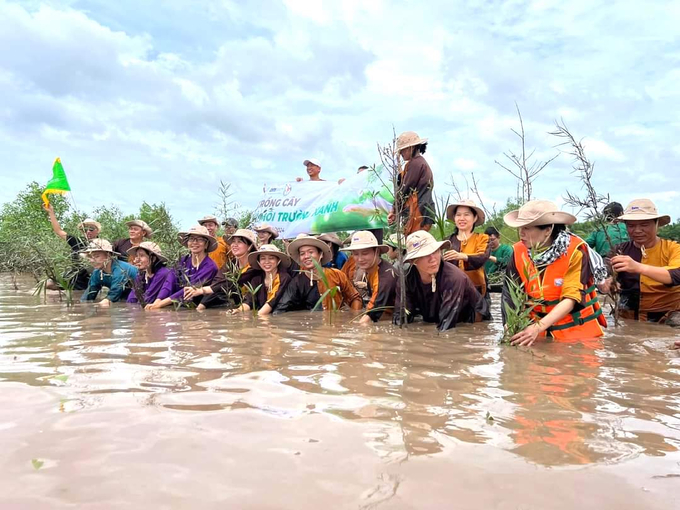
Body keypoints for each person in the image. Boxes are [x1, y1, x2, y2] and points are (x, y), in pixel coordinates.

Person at [502, 200, 607, 346]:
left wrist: (538, 327)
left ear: (548, 230)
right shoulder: (517, 252)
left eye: (527, 228)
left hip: (575, 333)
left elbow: (572, 297)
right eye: (520, 228)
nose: (521, 234)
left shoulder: (575, 252)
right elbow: (509, 293)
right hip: (534, 330)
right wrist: (508, 325)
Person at [600, 199, 680, 322]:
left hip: (668, 316)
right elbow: (604, 270)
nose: (637, 230)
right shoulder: (620, 249)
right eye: (631, 226)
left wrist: (638, 267)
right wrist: (606, 283)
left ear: (656, 223)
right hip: (628, 316)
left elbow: (676, 275)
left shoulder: (673, 249)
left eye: (644, 225)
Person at [393, 231, 486, 331]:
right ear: (412, 261)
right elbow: (401, 318)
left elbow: (446, 327)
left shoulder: (453, 278)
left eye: (435, 251)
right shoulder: (406, 279)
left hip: (468, 322)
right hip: (433, 316)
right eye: (425, 254)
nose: (433, 259)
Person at [274, 235, 362, 313]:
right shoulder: (296, 282)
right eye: (302, 253)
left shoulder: (337, 275)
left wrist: (353, 317)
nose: (306, 256)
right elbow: (281, 309)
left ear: (321, 254)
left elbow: (355, 298)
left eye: (311, 252)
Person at [149, 225, 218, 309]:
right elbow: (169, 283)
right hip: (177, 304)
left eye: (200, 239)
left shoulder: (210, 266)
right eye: (191, 239)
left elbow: (190, 289)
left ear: (206, 244)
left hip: (196, 307)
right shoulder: (182, 261)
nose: (195, 242)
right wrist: (158, 300)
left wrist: (161, 304)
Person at [196, 229, 260, 310]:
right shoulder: (230, 264)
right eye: (233, 241)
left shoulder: (255, 267)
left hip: (254, 307)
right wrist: (201, 306)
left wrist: (201, 290)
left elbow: (229, 283)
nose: (234, 245)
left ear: (250, 246)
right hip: (239, 306)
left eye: (239, 242)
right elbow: (217, 282)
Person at [341, 231, 396, 324]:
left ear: (376, 252)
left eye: (365, 253)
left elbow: (373, 311)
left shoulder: (385, 275)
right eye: (355, 254)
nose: (360, 259)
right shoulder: (371, 270)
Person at [43, 203, 100, 290]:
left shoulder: (103, 244)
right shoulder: (76, 242)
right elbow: (58, 231)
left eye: (91, 229)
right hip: (72, 277)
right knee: (48, 284)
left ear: (97, 231)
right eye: (84, 229)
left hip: (89, 281)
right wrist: (51, 212)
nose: (88, 231)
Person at [387, 131, 434, 236]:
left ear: (411, 148)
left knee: (415, 243)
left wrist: (394, 210)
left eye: (402, 150)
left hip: (418, 212)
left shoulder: (415, 164)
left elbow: (405, 189)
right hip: (423, 210)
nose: (401, 153)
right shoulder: (419, 163)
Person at [444, 200, 491, 304]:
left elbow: (482, 257)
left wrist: (463, 256)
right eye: (458, 215)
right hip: (452, 291)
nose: (462, 218)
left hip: (477, 291)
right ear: (454, 218)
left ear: (475, 218)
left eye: (466, 215)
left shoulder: (482, 238)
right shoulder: (447, 241)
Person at [231, 244, 292, 316]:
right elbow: (249, 301)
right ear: (259, 262)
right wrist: (238, 310)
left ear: (278, 260)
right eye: (263, 258)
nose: (267, 262)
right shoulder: (256, 280)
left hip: (280, 316)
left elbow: (273, 300)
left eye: (271, 258)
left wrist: (257, 318)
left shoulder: (284, 278)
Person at [80, 239, 138, 306]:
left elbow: (113, 295)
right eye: (90, 257)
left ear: (108, 255)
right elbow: (90, 294)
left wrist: (101, 304)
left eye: (96, 256)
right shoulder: (97, 273)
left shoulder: (120, 270)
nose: (92, 260)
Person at [126, 242, 176, 309]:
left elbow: (148, 299)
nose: (137, 260)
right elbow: (131, 299)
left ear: (153, 258)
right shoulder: (141, 275)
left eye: (141, 256)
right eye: (137, 256)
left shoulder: (163, 273)